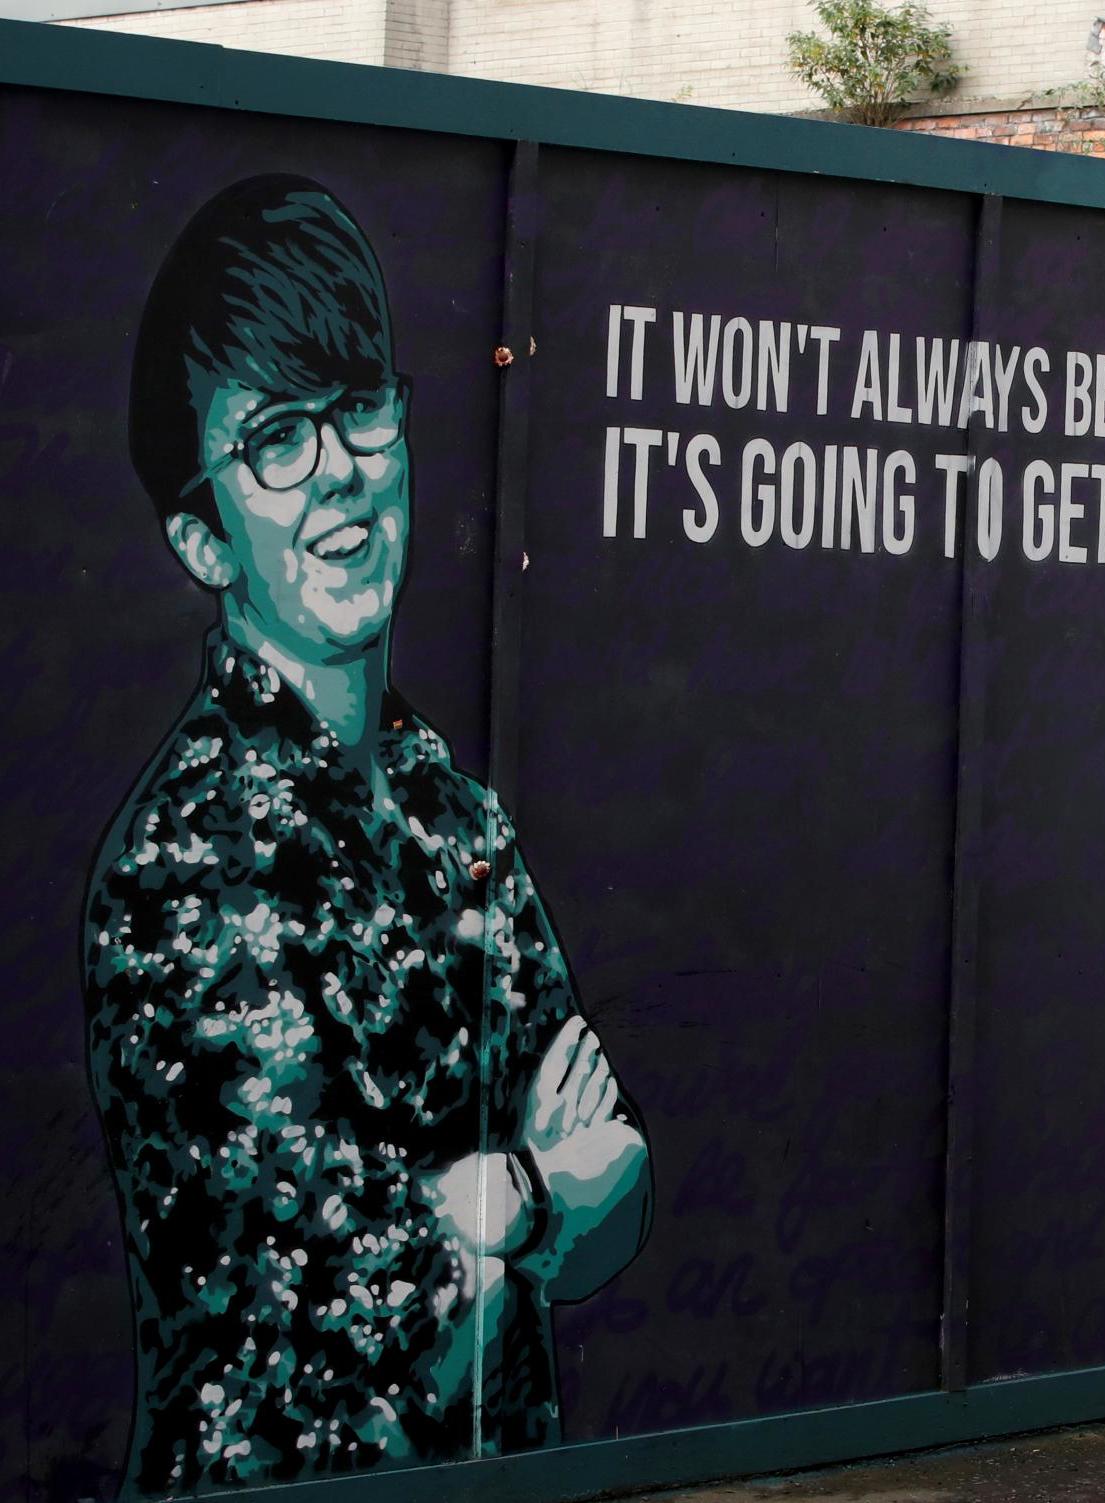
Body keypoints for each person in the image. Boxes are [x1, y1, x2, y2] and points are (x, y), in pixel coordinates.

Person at [83, 175, 651, 1495]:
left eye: (358, 406)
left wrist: (518, 1210)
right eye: (276, 437)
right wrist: (541, 1196)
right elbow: (362, 1341)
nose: (339, 464)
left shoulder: (446, 804)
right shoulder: (184, 877)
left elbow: (617, 1191)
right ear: (202, 540)